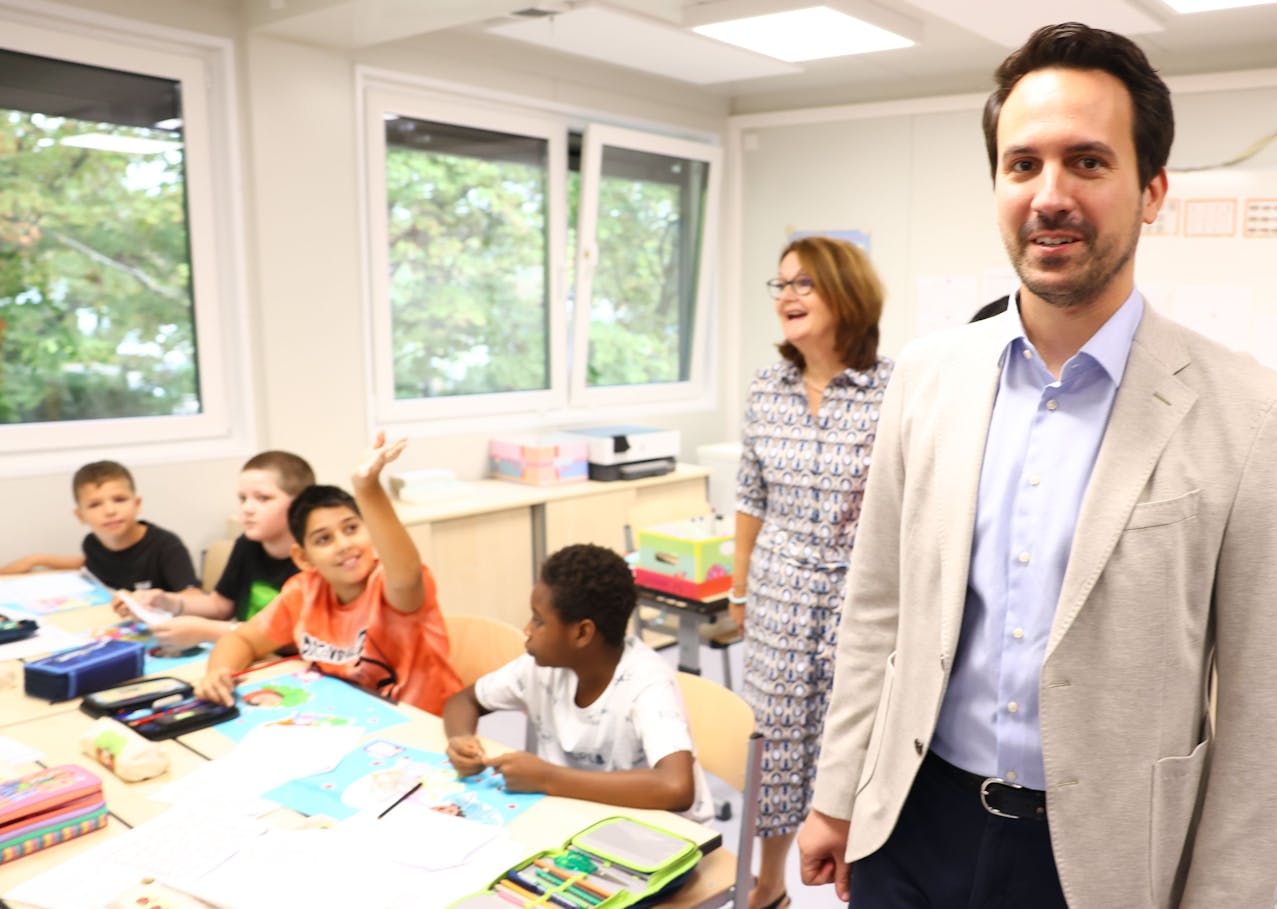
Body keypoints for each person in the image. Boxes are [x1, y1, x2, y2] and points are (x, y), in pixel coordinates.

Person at [797, 22, 1277, 909]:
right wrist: (836, 795)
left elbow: (1265, 719)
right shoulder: (926, 377)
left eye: (1087, 162)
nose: (1050, 195)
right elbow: (875, 610)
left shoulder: (1253, 416)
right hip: (910, 826)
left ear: (1151, 191)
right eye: (1023, 164)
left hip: (1099, 862)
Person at [731, 234, 892, 909]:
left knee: (860, 740)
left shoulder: (892, 388)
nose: (787, 296)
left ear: (845, 295)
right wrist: (738, 588)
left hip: (866, 601)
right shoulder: (766, 390)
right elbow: (749, 497)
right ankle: (769, 884)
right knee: (773, 745)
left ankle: (864, 877)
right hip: (779, 599)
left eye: (803, 283)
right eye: (780, 285)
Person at [442, 543, 714, 821]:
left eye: (539, 621)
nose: (527, 630)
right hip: (579, 818)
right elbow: (464, 700)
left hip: (662, 836)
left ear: (582, 633)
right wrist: (461, 739)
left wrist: (548, 778)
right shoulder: (540, 667)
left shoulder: (647, 684)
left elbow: (676, 788)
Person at [196, 434, 461, 715]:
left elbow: (408, 575)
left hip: (424, 724)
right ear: (303, 557)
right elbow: (243, 639)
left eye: (351, 529)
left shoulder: (388, 585)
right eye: (323, 539)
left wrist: (367, 487)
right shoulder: (304, 591)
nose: (344, 545)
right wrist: (218, 673)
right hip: (349, 718)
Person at [119, 451, 315, 650]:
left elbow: (294, 638)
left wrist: (207, 631)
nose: (247, 508)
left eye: (263, 498)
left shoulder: (314, 561)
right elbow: (220, 606)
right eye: (242, 498)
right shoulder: (247, 544)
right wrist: (167, 601)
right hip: (244, 653)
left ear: (300, 505)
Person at [2, 460, 201, 594]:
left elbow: (194, 597)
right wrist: (38, 559)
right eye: (95, 504)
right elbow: (86, 563)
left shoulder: (166, 547)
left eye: (119, 499)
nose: (110, 510)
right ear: (81, 516)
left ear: (137, 504)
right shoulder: (93, 544)